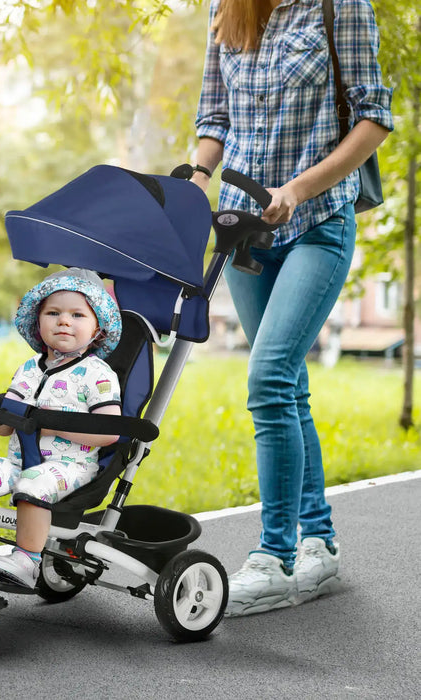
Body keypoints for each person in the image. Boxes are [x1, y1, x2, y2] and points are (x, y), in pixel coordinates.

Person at [190, 0, 393, 616]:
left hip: (316, 221)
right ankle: (319, 545)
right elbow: (215, 115)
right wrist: (193, 180)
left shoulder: (341, 7)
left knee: (270, 377)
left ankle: (272, 557)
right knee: (289, 387)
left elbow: (374, 119)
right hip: (246, 227)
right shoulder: (227, 10)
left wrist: (300, 188)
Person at [0, 268, 123, 588]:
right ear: (39, 323)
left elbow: (110, 431)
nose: (64, 321)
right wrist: (1, 416)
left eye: (77, 314)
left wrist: (49, 427)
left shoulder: (97, 373)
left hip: (71, 466)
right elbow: (3, 431)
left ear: (97, 331)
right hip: (19, 462)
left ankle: (27, 558)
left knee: (34, 483)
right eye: (54, 313)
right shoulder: (27, 370)